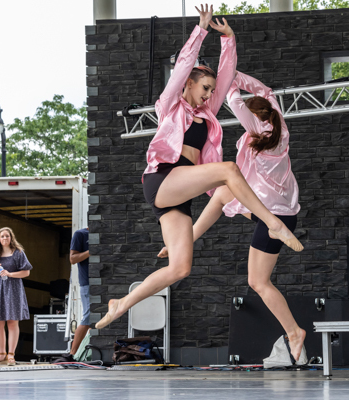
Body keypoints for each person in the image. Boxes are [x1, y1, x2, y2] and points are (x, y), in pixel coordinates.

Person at [96, 4, 303, 330]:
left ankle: (121, 303)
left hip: (181, 193)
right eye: (203, 88)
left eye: (210, 90)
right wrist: (201, 30)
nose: (209, 94)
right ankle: (273, 223)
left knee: (180, 269)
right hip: (164, 178)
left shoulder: (207, 112)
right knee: (228, 171)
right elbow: (181, 66)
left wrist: (229, 40)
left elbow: (225, 78)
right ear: (189, 84)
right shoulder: (169, 105)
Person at [159, 71, 306, 363]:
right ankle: (185, 239)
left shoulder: (257, 130)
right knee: (223, 195)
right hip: (276, 210)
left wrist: (227, 74)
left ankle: (294, 333)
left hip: (273, 217)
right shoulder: (278, 124)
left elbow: (232, 97)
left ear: (254, 117)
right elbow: (265, 88)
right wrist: (235, 75)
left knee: (259, 282)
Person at [0, 227, 33, 366]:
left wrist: (10, 274)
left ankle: (11, 354)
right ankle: (2, 354)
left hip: (13, 289)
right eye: (2, 236)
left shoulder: (18, 253)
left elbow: (26, 272)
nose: (5, 238)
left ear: (11, 237)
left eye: (7, 236)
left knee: (12, 321)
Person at [54, 227, 90, 363]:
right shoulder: (80, 234)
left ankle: (85, 352)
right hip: (87, 282)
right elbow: (73, 258)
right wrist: (90, 252)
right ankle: (72, 353)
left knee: (98, 319)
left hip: (104, 283)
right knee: (88, 317)